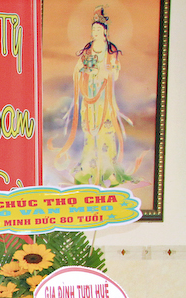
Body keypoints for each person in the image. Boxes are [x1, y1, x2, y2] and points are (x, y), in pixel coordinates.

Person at [47, 6, 139, 188]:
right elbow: (78, 69)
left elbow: (114, 73)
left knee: (105, 130)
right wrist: (84, 70)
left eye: (98, 29)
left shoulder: (110, 52)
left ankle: (108, 169)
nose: (94, 32)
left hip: (105, 97)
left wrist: (102, 72)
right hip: (89, 95)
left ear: (105, 32)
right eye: (93, 29)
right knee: (89, 131)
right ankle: (88, 169)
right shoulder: (88, 51)